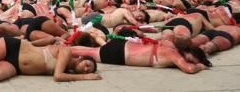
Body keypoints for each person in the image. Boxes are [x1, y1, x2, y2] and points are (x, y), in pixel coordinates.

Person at [0, 37, 100, 82]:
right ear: (80, 58)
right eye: (87, 64)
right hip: (12, 47)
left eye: (88, 70)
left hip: (15, 66)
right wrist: (87, 77)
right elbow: (57, 77)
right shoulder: (66, 52)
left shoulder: (67, 70)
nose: (86, 69)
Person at [71, 39, 210, 74]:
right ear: (188, 52)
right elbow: (189, 69)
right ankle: (62, 50)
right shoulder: (173, 53)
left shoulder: (170, 48)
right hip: (121, 52)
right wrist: (200, 66)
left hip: (123, 49)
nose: (187, 62)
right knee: (88, 52)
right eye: (190, 59)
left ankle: (64, 49)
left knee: (89, 51)